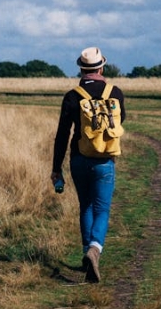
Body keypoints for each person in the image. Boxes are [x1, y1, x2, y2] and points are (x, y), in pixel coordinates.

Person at [52, 46, 126, 283]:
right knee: (102, 208)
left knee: (85, 206)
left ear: (81, 69)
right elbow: (119, 121)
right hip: (105, 159)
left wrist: (56, 168)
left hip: (79, 158)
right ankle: (95, 249)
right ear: (101, 67)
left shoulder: (72, 96)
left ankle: (88, 254)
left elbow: (62, 134)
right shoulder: (116, 93)